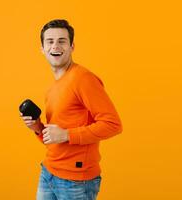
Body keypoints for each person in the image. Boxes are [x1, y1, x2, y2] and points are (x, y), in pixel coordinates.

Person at [20, 19, 122, 200]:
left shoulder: (83, 79)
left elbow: (113, 124)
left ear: (72, 46)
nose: (55, 46)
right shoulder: (53, 88)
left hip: (76, 182)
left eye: (62, 41)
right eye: (50, 41)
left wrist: (67, 134)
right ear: (42, 49)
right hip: (48, 172)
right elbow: (55, 138)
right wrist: (37, 128)